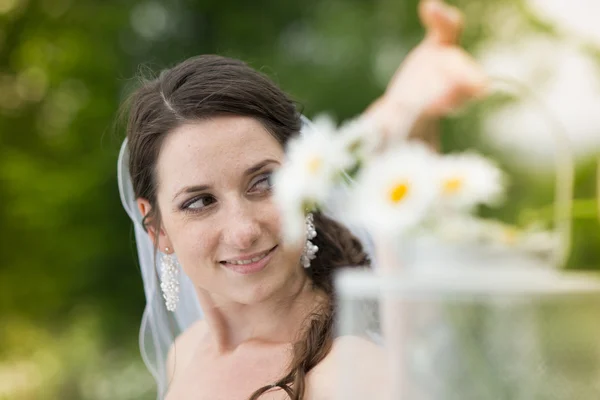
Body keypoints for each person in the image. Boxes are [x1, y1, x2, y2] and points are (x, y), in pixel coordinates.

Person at [117, 0, 487, 399]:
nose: (243, 232)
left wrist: (409, 128)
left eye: (263, 181)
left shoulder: (353, 372)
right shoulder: (185, 353)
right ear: (155, 228)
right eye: (199, 202)